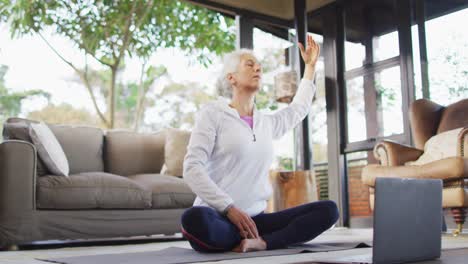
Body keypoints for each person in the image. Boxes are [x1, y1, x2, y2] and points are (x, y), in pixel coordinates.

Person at [181, 35, 339, 253]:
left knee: (329, 210)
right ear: (231, 78)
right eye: (249, 64)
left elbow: (297, 109)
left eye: (259, 66)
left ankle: (263, 242)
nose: (258, 68)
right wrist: (229, 208)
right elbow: (191, 168)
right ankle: (246, 238)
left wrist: (310, 67)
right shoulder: (212, 114)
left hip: (256, 222)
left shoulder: (266, 122)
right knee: (193, 219)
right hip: (218, 215)